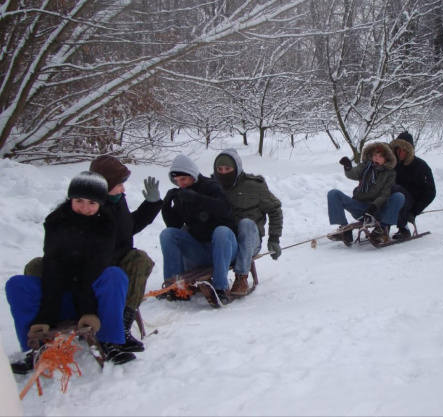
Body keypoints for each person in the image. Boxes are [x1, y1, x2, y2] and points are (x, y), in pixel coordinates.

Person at [23, 155, 163, 353]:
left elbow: (128, 228)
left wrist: (151, 205)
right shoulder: (87, 207)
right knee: (36, 265)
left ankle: (122, 324)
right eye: (120, 184)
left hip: (110, 263)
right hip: (79, 266)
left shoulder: (116, 200)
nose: (123, 188)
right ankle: (43, 324)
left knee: (139, 259)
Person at [6, 172, 135, 374]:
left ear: (100, 203)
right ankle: (34, 347)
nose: (84, 208)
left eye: (91, 203)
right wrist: (46, 316)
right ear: (70, 199)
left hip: (91, 297)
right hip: (61, 297)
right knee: (16, 284)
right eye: (79, 201)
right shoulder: (56, 222)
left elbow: (95, 267)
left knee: (115, 276)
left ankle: (109, 342)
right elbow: (52, 265)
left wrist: (89, 311)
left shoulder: (106, 225)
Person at [159, 154, 238, 303]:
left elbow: (226, 208)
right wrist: (166, 206)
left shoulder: (210, 185)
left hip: (225, 249)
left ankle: (220, 288)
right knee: (167, 234)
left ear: (192, 175)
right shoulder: (182, 194)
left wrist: (196, 198)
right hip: (201, 251)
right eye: (177, 181)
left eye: (183, 179)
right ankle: (174, 286)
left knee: (221, 231)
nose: (181, 184)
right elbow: (174, 226)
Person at [212, 149, 283, 296]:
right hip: (226, 242)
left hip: (251, 241)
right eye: (220, 169)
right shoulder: (212, 186)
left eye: (228, 168)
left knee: (246, 224)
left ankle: (241, 276)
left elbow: (275, 209)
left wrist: (274, 238)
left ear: (236, 168)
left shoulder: (254, 186)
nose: (223, 172)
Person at [327, 142, 405, 245]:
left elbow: (385, 194)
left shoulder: (390, 173)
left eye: (380, 156)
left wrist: (374, 206)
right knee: (333, 194)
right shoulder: (365, 167)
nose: (376, 158)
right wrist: (348, 167)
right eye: (375, 156)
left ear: (386, 158)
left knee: (399, 197)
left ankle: (381, 229)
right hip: (360, 208)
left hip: (377, 210)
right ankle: (344, 229)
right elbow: (354, 174)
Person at [389, 132, 436, 240]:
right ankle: (381, 227)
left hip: (411, 202)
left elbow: (430, 192)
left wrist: (415, 211)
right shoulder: (391, 164)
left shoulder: (420, 166)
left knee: (396, 191)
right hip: (392, 197)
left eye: (404, 150)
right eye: (398, 150)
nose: (401, 153)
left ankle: (404, 228)